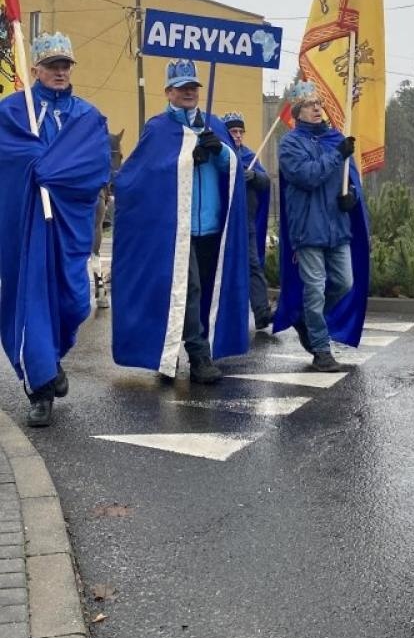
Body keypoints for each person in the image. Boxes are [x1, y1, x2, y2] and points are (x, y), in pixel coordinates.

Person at [112, 60, 249, 383]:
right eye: (182, 87)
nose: (189, 92)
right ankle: (199, 356)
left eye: (193, 87)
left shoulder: (212, 123)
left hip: (211, 228)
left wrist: (221, 153)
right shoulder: (158, 129)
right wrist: (186, 160)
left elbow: (234, 174)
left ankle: (171, 353)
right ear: (168, 91)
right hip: (175, 231)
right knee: (188, 290)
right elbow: (141, 175)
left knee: (201, 292)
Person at [0, 32, 110, 427]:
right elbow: (7, 157)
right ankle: (40, 389)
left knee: (74, 304)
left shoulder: (88, 115)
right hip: (28, 228)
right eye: (52, 66)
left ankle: (52, 365)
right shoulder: (13, 111)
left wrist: (53, 170)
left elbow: (95, 166)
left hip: (69, 226)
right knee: (32, 307)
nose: (60, 71)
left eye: (65, 65)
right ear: (36, 70)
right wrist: (34, 162)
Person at [273, 81, 369, 371]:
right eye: (309, 105)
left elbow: (348, 179)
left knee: (344, 283)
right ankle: (321, 349)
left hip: (337, 228)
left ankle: (307, 320)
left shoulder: (333, 138)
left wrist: (351, 197)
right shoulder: (289, 144)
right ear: (297, 112)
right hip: (308, 229)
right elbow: (308, 176)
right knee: (315, 288)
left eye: (318, 104)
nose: (316, 108)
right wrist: (338, 154)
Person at [221, 112, 274, 332]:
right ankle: (225, 313)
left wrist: (255, 176)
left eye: (241, 131)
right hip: (222, 223)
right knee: (222, 269)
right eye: (234, 131)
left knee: (253, 266)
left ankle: (261, 312)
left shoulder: (250, 157)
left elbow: (265, 181)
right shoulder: (218, 155)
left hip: (246, 222)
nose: (238, 135)